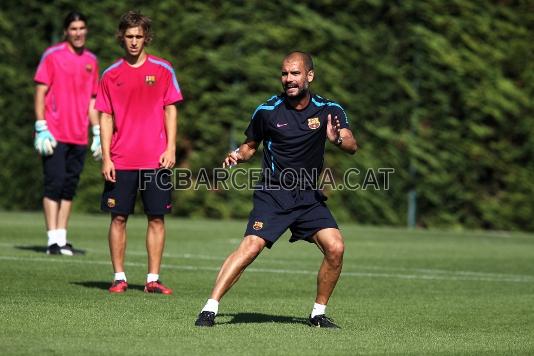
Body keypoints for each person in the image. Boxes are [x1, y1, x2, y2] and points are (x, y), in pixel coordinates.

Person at [195, 51, 358, 328]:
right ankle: (209, 308)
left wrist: (337, 138)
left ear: (310, 76)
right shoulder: (267, 111)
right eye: (284, 74)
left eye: (295, 73)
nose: (288, 79)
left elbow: (352, 145)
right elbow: (249, 146)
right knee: (251, 247)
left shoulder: (329, 109)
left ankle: (318, 314)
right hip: (274, 194)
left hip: (308, 197)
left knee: (336, 248)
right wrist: (237, 154)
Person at [95, 11, 183, 294]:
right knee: (118, 218)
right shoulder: (110, 74)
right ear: (122, 37)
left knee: (156, 218)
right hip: (121, 159)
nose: (134, 42)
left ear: (146, 38)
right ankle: (119, 277)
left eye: (139, 37)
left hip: (156, 160)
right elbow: (105, 116)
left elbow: (171, 108)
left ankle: (152, 279)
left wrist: (170, 147)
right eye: (129, 36)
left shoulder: (163, 69)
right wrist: (107, 156)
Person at [33, 11, 100, 256]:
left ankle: (61, 239)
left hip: (79, 135)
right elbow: (40, 92)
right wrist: (41, 126)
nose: (78, 32)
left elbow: (93, 99)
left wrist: (96, 131)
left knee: (69, 186)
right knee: (54, 183)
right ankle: (51, 239)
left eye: (82, 28)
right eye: (73, 28)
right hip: (54, 133)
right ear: (66, 32)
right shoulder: (52, 56)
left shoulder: (91, 60)